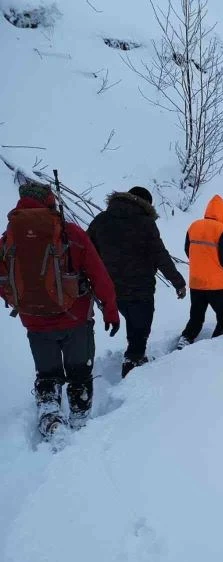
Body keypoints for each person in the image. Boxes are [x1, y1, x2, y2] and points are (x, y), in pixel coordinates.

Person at [0, 182, 120, 438]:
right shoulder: (70, 233)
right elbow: (99, 275)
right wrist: (110, 309)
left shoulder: (9, 237)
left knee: (47, 375)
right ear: (49, 201)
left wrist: (22, 302)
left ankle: (51, 420)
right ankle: (79, 424)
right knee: (79, 373)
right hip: (76, 319)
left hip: (35, 323)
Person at [88, 186, 186, 378]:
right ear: (145, 204)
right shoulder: (145, 223)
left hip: (110, 288)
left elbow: (87, 251)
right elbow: (160, 255)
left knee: (133, 322)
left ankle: (135, 354)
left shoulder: (101, 220)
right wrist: (178, 282)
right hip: (140, 288)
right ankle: (133, 364)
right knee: (140, 326)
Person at [177, 195, 223, 348]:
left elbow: (187, 249)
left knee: (196, 315)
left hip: (196, 281)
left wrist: (198, 264)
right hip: (216, 284)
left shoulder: (194, 226)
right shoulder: (222, 229)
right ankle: (218, 341)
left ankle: (186, 338)